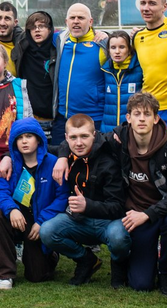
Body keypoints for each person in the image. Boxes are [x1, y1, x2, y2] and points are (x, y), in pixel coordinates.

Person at [37, 114, 130, 286]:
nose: (79, 143)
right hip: (78, 221)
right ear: (66, 138)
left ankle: (119, 265)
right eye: (73, 137)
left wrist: (88, 205)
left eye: (84, 136)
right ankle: (86, 260)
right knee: (47, 231)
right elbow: (33, 149)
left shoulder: (109, 160)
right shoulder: (65, 154)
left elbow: (118, 207)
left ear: (94, 135)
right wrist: (6, 157)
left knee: (118, 236)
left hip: (108, 222)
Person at [115, 93, 167, 292]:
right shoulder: (119, 142)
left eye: (147, 114)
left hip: (166, 212)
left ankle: (166, 270)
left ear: (156, 118)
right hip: (137, 215)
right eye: (137, 114)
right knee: (141, 284)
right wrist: (63, 156)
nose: (142, 119)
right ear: (128, 118)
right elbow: (88, 142)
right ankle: (131, 263)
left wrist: (148, 214)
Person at [0, 118, 66, 289]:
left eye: (29, 136)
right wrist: (12, 209)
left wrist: (42, 221)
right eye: (20, 137)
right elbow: (0, 192)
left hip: (38, 220)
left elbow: (62, 197)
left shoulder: (53, 163)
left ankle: (51, 255)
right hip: (15, 216)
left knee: (37, 276)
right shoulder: (7, 165)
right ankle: (5, 274)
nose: (24, 141)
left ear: (38, 139)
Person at [50, 3, 106, 142]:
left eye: (81, 18)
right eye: (72, 17)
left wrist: (107, 36)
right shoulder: (60, 40)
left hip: (94, 119)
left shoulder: (103, 44)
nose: (76, 21)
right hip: (64, 118)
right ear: (66, 22)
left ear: (91, 21)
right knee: (60, 161)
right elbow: (28, 33)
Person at [14, 11, 57, 136]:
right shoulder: (22, 45)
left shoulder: (59, 48)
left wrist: (100, 33)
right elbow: (2, 25)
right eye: (33, 27)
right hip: (30, 117)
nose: (37, 30)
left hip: (54, 118)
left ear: (50, 29)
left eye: (42, 26)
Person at [99, 31, 142, 133]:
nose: (117, 51)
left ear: (129, 49)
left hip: (131, 130)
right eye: (113, 48)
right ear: (108, 50)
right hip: (108, 129)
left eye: (122, 47)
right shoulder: (105, 70)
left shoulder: (139, 69)